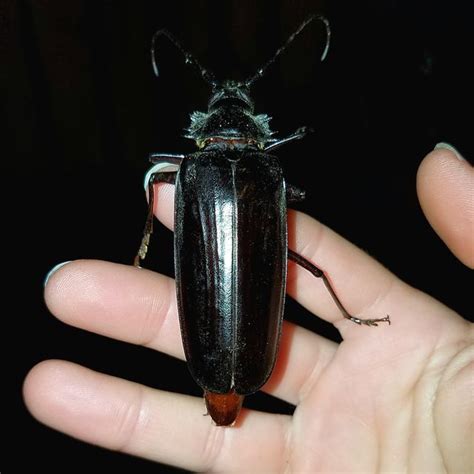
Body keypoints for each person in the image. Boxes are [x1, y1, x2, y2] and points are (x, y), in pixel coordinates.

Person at [24, 144, 472, 472]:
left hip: (230, 351)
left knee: (163, 184)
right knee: (308, 269)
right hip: (234, 348)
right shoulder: (265, 170)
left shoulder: (208, 168)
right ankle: (349, 315)